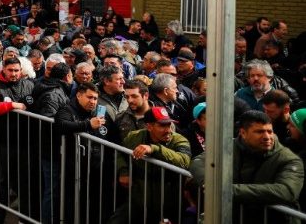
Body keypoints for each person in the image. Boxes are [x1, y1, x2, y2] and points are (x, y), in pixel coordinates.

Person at [191, 111, 304, 224]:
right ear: (243, 133)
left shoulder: (289, 160)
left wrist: (227, 190)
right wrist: (210, 183)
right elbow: (198, 162)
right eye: (259, 132)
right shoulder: (229, 147)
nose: (267, 137)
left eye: (269, 131)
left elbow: (286, 191)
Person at [112, 106, 191, 224]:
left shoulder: (180, 140)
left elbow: (184, 161)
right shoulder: (135, 137)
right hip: (138, 200)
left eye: (169, 125)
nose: (168, 130)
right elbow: (120, 153)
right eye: (162, 125)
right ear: (149, 126)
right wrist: (123, 171)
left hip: (168, 205)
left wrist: (155, 149)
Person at [0, 57, 36, 223]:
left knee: (25, 179)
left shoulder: (29, 85)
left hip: (25, 141)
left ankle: (25, 216)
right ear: (3, 70)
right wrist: (12, 105)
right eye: (10, 70)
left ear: (21, 71)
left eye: (16, 70)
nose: (14, 73)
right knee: (3, 180)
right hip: (2, 141)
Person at [56, 82, 109, 224]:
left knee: (94, 202)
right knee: (73, 202)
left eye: (95, 98)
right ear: (79, 95)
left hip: (97, 164)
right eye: (89, 97)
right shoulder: (67, 109)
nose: (93, 101)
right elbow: (61, 125)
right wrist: (87, 125)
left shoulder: (100, 111)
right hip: (74, 165)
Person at [32, 62, 72, 223]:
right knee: (52, 190)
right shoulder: (53, 94)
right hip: (51, 148)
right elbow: (50, 122)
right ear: (66, 76)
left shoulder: (53, 88)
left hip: (50, 147)